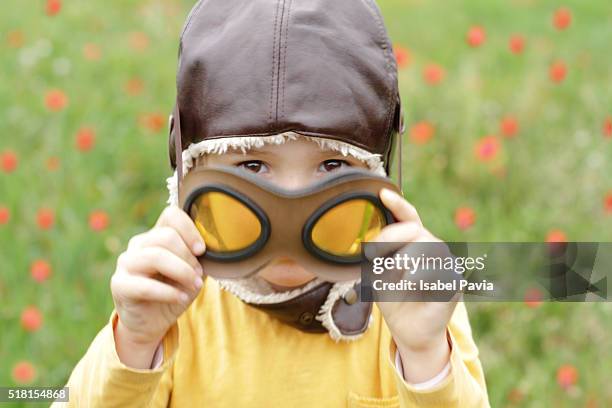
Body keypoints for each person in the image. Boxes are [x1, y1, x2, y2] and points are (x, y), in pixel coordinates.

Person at [53, 0, 489, 406]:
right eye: (254, 166)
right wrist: (135, 343)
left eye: (332, 165)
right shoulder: (170, 296)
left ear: (379, 173)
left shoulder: (414, 296)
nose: (292, 210)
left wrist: (426, 357)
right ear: (189, 167)